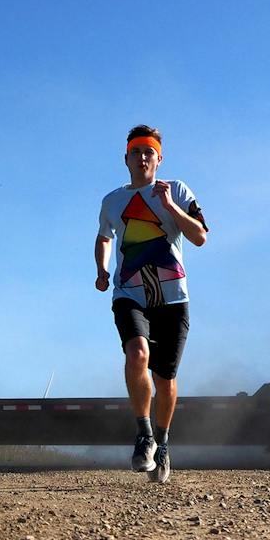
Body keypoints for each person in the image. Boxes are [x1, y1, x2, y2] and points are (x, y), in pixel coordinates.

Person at [94, 125, 209, 483]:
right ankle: (143, 435)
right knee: (137, 354)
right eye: (136, 152)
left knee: (165, 379)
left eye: (149, 152)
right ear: (125, 158)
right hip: (130, 293)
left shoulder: (177, 190)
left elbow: (200, 236)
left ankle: (162, 444)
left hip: (173, 299)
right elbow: (104, 237)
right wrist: (100, 269)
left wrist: (170, 206)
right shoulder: (112, 200)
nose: (142, 158)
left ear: (159, 158)